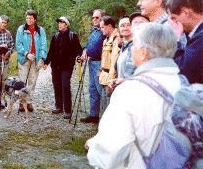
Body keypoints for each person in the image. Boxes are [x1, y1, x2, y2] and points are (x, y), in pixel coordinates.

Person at [86, 23, 183, 168]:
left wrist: (92, 148)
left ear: (144, 53)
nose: (131, 48)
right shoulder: (183, 84)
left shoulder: (130, 90)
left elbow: (110, 151)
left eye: (134, 44)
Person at [43, 17, 83, 119]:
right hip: (55, 66)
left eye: (62, 23)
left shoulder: (72, 36)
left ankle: (68, 110)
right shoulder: (55, 37)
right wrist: (46, 62)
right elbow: (51, 51)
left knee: (65, 86)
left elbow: (78, 49)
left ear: (67, 25)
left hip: (67, 66)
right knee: (57, 85)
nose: (60, 25)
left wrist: (79, 56)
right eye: (59, 23)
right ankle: (59, 106)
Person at [166, 0, 203, 84]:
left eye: (173, 18)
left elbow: (181, 72)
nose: (171, 24)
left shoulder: (200, 38)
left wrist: (175, 38)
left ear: (186, 12)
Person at [16, 9, 47, 112]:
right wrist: (26, 54)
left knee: (32, 81)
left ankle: (29, 102)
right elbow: (18, 44)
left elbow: (43, 45)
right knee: (22, 81)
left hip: (36, 59)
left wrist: (41, 59)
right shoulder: (21, 29)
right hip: (24, 58)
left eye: (31, 18)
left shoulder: (40, 30)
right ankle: (21, 102)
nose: (28, 20)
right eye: (27, 18)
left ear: (35, 19)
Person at [78, 9, 106, 124]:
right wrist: (84, 52)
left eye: (97, 17)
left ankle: (106, 118)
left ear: (102, 18)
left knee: (102, 91)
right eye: (93, 17)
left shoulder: (105, 32)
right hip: (91, 63)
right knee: (92, 89)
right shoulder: (94, 31)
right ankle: (93, 115)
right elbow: (88, 45)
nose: (94, 19)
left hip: (101, 63)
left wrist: (102, 68)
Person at [97, 16, 119, 110]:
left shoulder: (116, 40)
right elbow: (105, 59)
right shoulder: (106, 40)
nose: (101, 30)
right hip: (104, 78)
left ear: (110, 26)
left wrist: (111, 80)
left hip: (110, 80)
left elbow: (114, 61)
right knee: (104, 107)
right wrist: (100, 70)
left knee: (109, 108)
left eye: (102, 27)